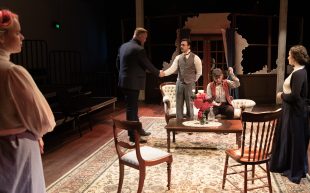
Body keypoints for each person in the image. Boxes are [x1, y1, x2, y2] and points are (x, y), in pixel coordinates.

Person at [0, 9, 56, 193]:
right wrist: (38, 133)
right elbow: (43, 120)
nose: (22, 37)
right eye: (17, 32)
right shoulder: (12, 72)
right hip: (15, 149)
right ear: (1, 37)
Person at [269, 45, 309, 184]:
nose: (287, 57)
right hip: (291, 111)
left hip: (294, 112)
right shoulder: (297, 71)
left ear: (295, 57)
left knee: (294, 140)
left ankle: (294, 170)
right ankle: (285, 164)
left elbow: (295, 96)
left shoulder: (299, 73)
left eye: (289, 55)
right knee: (288, 138)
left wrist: (282, 95)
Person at [116, 27, 161, 143]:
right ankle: (132, 136)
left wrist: (124, 75)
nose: (145, 40)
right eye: (145, 38)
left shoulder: (123, 46)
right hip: (132, 84)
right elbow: (147, 64)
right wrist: (158, 73)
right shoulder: (138, 49)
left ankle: (138, 129)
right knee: (131, 110)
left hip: (123, 82)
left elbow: (118, 63)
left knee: (133, 108)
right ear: (140, 36)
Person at [160, 38, 202, 119]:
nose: (181, 46)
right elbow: (172, 69)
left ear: (188, 46)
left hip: (190, 84)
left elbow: (199, 72)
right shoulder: (178, 57)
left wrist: (192, 80)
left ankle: (190, 123)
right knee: (179, 105)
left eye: (183, 45)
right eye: (181, 45)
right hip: (179, 83)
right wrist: (164, 73)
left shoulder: (195, 58)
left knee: (189, 105)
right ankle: (179, 124)